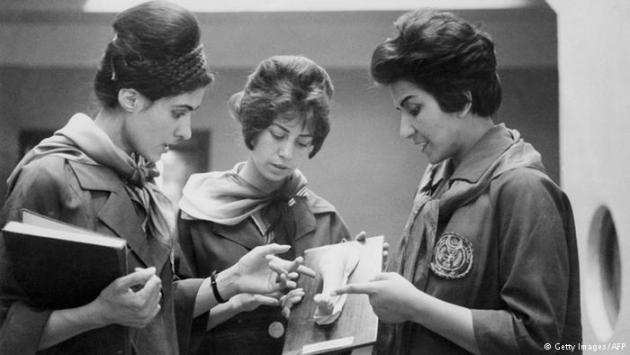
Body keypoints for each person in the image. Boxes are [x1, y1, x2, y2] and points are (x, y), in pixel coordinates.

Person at [0, 2, 310, 355]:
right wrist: (96, 313)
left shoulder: (143, 186)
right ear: (130, 98)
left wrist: (230, 281)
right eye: (178, 113)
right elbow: (6, 326)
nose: (186, 131)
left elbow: (157, 316)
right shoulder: (48, 176)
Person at [334, 9, 582, 355]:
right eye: (401, 112)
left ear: (463, 100)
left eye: (414, 108)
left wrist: (415, 305)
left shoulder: (524, 189)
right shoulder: (438, 178)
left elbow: (541, 343)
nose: (404, 130)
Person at [178, 55, 352, 354]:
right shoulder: (198, 211)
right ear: (254, 127)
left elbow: (343, 333)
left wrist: (359, 272)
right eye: (278, 135)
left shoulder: (325, 220)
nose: (286, 152)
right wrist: (232, 304)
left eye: (302, 142)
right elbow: (163, 322)